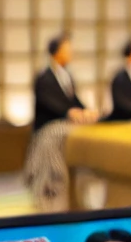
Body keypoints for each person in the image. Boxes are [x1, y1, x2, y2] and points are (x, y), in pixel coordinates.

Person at [24, 33, 97, 210]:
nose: (70, 53)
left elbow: (74, 100)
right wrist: (69, 112)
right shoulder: (44, 78)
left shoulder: (67, 76)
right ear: (56, 52)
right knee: (57, 137)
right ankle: (51, 184)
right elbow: (50, 102)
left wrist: (85, 111)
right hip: (49, 128)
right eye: (67, 50)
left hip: (66, 124)